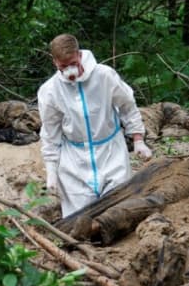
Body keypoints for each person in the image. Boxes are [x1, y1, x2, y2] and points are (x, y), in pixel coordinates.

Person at [38, 33, 152, 217]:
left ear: (80, 55)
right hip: (74, 162)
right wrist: (51, 171)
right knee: (78, 219)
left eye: (73, 64)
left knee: (118, 211)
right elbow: (50, 132)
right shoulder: (50, 91)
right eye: (63, 66)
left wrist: (138, 138)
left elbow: (127, 105)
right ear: (55, 62)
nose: (70, 71)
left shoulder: (105, 76)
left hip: (111, 152)